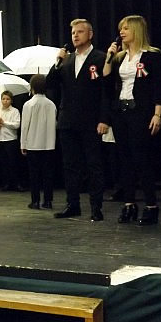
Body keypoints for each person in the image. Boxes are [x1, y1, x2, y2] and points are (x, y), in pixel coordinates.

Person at [103, 15, 161, 225]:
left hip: (141, 112)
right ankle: (129, 204)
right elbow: (106, 81)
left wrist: (157, 113)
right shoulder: (119, 57)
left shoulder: (152, 55)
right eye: (121, 29)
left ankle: (151, 206)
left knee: (141, 158)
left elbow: (159, 86)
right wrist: (109, 57)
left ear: (137, 31)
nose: (122, 32)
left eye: (126, 29)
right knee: (124, 159)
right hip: (121, 112)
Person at [46, 18, 109, 221]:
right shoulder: (66, 60)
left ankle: (96, 207)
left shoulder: (100, 58)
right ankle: (72, 204)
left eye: (80, 32)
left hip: (91, 120)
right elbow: (49, 84)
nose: (75, 35)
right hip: (68, 120)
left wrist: (104, 119)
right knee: (70, 165)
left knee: (93, 165)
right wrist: (57, 63)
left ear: (90, 34)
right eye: (73, 32)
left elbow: (106, 92)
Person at [20, 75, 57, 210]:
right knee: (48, 174)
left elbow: (25, 126)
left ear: (32, 87)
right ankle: (48, 201)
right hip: (48, 144)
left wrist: (23, 144)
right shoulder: (51, 104)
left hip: (33, 144)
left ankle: (35, 201)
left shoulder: (29, 104)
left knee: (34, 174)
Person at [0, 90, 23, 192]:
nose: (5, 101)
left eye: (8, 99)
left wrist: (4, 123)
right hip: (0, 140)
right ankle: (6, 183)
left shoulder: (15, 111)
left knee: (13, 163)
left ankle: (16, 183)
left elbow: (16, 125)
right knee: (3, 163)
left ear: (11, 100)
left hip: (11, 140)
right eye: (3, 99)